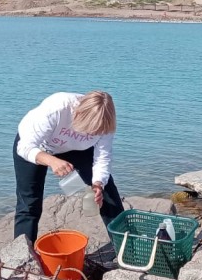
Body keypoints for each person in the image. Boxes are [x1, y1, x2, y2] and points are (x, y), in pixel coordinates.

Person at [13, 91, 125, 243]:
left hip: (76, 149)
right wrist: (52, 161)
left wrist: (98, 184)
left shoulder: (106, 123)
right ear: (79, 114)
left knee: (106, 192)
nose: (93, 134)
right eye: (91, 129)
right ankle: (22, 254)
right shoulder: (57, 108)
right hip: (36, 146)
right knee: (29, 203)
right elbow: (24, 148)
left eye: (97, 132)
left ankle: (125, 248)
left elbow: (102, 158)